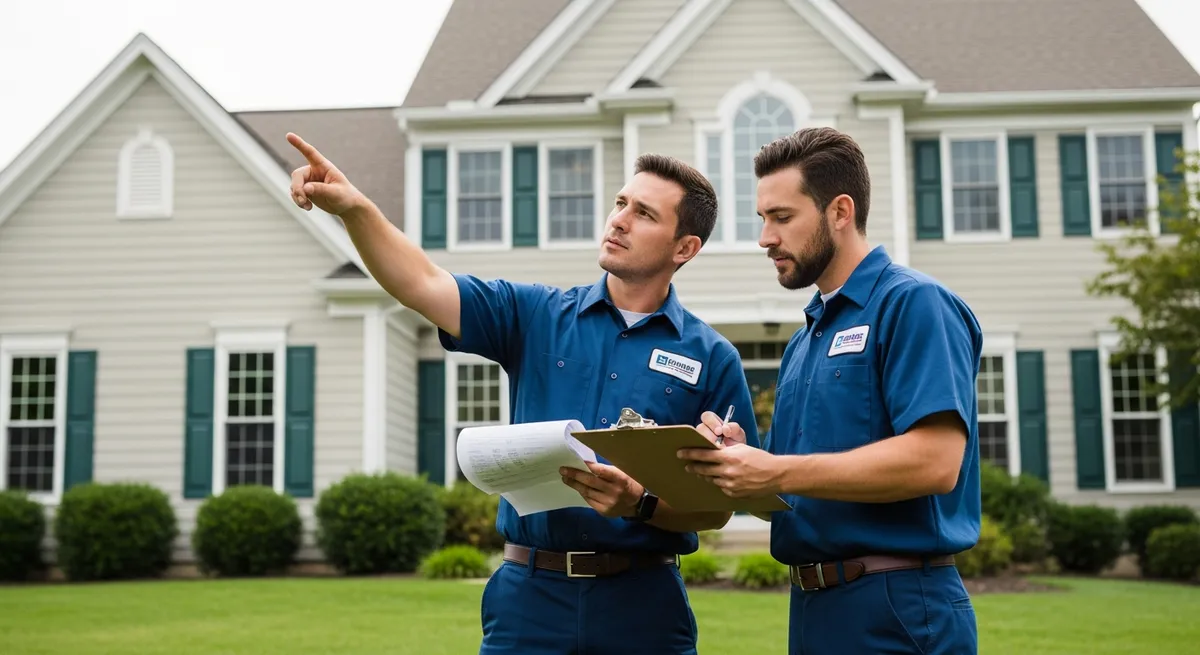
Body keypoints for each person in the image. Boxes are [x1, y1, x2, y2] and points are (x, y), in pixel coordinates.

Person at [284, 132, 759, 655]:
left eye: (644, 214)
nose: (619, 219)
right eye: (620, 203)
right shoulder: (536, 315)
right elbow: (421, 283)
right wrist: (355, 209)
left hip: (643, 606)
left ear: (684, 247)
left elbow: (715, 509)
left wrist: (639, 504)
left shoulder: (712, 358)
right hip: (529, 598)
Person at [678, 126, 983, 655]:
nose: (764, 238)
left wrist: (775, 470)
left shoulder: (915, 304)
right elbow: (796, 487)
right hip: (814, 609)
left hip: (899, 607)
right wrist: (737, 460)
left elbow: (936, 461)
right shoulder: (804, 341)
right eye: (762, 219)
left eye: (782, 217)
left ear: (840, 212)